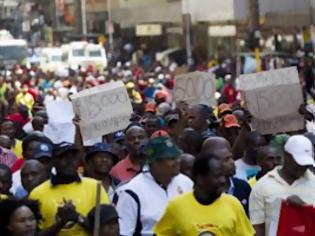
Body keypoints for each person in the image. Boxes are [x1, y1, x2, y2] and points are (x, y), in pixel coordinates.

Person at [153, 152, 255, 236]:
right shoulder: (176, 206)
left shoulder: (233, 204)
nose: (223, 180)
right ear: (200, 178)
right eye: (217, 176)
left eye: (223, 175)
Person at [116, 137, 193, 236]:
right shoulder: (131, 191)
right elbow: (124, 232)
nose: (177, 161)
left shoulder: (186, 182)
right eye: (171, 158)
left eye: (178, 156)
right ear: (155, 162)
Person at [29, 142, 110, 236]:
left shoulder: (95, 187)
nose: (70, 161)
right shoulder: (37, 193)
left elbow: (106, 231)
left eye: (73, 157)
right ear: (54, 161)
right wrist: (62, 222)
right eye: (64, 157)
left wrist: (76, 217)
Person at [249, 135, 315, 236]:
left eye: (306, 164)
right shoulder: (262, 186)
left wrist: (304, 207)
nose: (302, 167)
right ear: (286, 156)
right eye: (298, 162)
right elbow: (258, 228)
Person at [202, 137, 252, 214]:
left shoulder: (243, 187)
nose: (232, 162)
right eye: (227, 159)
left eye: (231, 157)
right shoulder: (203, 192)